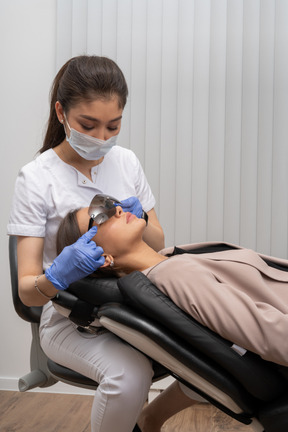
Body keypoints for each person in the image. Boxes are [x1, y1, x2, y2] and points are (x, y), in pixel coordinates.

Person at [7, 55, 166, 432]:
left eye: (113, 126)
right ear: (61, 112)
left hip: (133, 301)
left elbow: (158, 240)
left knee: (219, 351)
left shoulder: (125, 162)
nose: (101, 139)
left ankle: (151, 421)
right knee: (129, 377)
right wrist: (57, 275)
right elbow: (28, 292)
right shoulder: (36, 178)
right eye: (88, 125)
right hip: (71, 316)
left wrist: (140, 218)